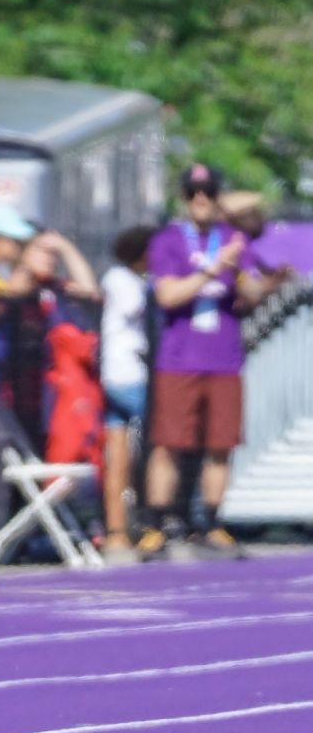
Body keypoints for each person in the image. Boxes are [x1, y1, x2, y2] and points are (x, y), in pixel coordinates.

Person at [138, 164, 285, 557]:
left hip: (223, 359)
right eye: (192, 192)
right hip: (179, 359)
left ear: (217, 196)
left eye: (207, 191)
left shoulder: (233, 238)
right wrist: (213, 268)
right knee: (168, 443)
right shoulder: (169, 241)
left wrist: (247, 279)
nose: (200, 198)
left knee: (221, 444)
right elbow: (168, 296)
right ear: (185, 199)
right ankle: (156, 524)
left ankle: (212, 524)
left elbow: (251, 294)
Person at [99, 225, 155, 554]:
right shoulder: (122, 279)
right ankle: (147, 521)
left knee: (119, 456)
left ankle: (118, 530)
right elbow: (140, 308)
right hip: (126, 375)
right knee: (156, 446)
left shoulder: (131, 279)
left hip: (123, 374)